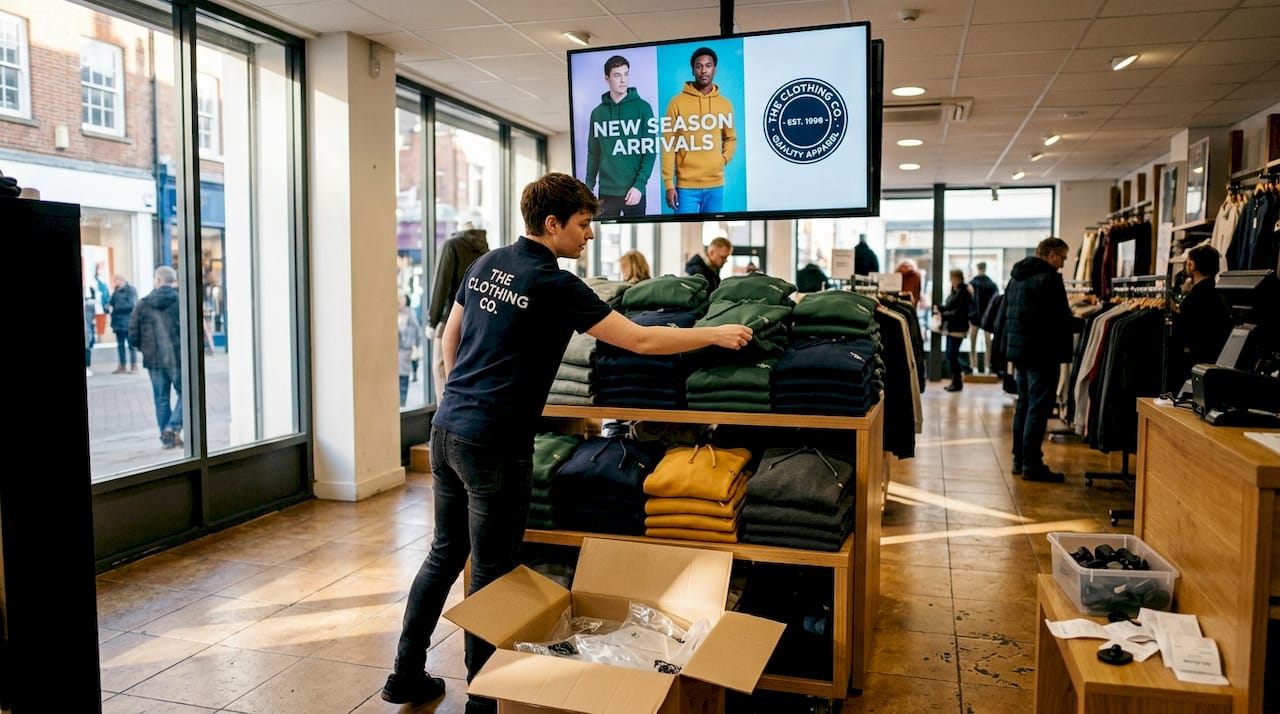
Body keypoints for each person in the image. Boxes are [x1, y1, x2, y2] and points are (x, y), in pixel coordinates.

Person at [383, 172, 753, 712]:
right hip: (495, 442)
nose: (591, 235)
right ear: (552, 224)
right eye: (583, 225)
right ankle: (486, 702)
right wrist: (715, 333)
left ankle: (404, 674)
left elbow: (450, 336)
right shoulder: (555, 285)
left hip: (447, 429)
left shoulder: (485, 264)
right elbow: (641, 339)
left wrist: (457, 395)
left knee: (444, 554)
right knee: (491, 574)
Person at [996, 237, 1078, 483]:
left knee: (1024, 404)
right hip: (1043, 352)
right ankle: (1032, 463)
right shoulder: (1049, 279)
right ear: (1051, 254)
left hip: (1021, 351)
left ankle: (1019, 460)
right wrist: (1085, 322)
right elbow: (1059, 318)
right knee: (1038, 407)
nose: (1063, 264)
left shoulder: (1017, 277)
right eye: (1062, 257)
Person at [661, 47, 736, 214]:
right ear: (693, 70)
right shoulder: (676, 103)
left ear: (714, 69)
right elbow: (668, 144)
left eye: (708, 66)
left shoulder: (725, 104)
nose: (704, 70)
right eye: (699, 66)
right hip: (685, 187)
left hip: (716, 185)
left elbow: (731, 138)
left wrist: (722, 160)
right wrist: (668, 184)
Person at [584, 55, 656, 218]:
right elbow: (594, 152)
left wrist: (639, 185)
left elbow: (650, 151)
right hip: (606, 192)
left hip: (635, 191)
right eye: (617, 75)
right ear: (607, 78)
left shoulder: (643, 108)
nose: (623, 80)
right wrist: (588, 188)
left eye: (626, 74)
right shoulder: (598, 113)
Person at [427, 227, 490, 401]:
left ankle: (445, 415)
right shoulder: (485, 250)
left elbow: (441, 283)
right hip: (476, 323)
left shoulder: (451, 246)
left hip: (449, 320)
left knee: (441, 370)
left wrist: (432, 320)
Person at [130, 265, 184, 449]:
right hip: (176, 357)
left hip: (153, 359)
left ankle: (168, 436)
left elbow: (133, 334)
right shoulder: (180, 301)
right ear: (172, 281)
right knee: (186, 393)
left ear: (158, 280)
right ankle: (172, 427)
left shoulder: (143, 303)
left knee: (161, 398)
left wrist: (145, 349)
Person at [1168, 243, 1232, 389]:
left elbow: (1185, 332)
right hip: (1209, 364)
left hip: (1194, 366)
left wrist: (1173, 312)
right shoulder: (1216, 294)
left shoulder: (1197, 297)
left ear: (1192, 265)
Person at [935, 268, 973, 392]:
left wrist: (943, 315)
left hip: (958, 328)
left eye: (951, 278)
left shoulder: (963, 292)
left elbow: (960, 312)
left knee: (951, 355)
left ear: (956, 278)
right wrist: (940, 308)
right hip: (952, 327)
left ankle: (958, 381)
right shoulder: (955, 290)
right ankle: (956, 381)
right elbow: (950, 306)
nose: (950, 280)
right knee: (950, 355)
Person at [967, 261, 999, 374]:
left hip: (975, 317)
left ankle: (974, 366)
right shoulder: (992, 284)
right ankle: (986, 366)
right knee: (987, 344)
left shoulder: (971, 284)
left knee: (973, 343)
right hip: (987, 318)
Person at [107, 272, 139, 373]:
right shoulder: (116, 291)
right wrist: (107, 307)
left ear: (121, 280)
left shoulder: (131, 290)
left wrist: (115, 309)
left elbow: (131, 305)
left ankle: (134, 365)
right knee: (120, 345)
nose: (114, 282)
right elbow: (111, 302)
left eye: (115, 280)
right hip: (117, 323)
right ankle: (122, 365)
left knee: (131, 345)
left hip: (128, 322)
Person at [397, 291, 424, 407]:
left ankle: (402, 404)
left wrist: (414, 346)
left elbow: (417, 331)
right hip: (396, 352)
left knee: (403, 380)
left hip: (405, 351)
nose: (398, 300)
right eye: (397, 297)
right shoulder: (393, 313)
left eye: (401, 298)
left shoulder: (410, 313)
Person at [84, 285, 98, 377]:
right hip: (87, 328)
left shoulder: (90, 304)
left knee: (87, 348)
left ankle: (87, 367)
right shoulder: (91, 304)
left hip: (88, 328)